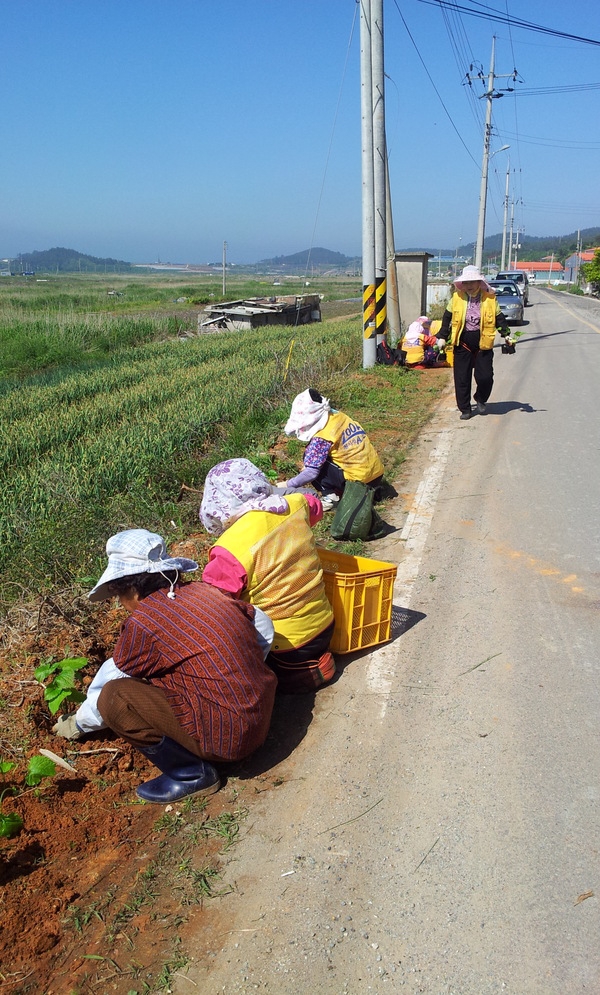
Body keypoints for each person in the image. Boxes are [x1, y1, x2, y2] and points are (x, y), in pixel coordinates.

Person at [53, 529, 277, 803]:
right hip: (263, 714)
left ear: (132, 589)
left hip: (231, 740)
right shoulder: (206, 591)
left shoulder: (143, 623)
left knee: (114, 697)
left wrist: (80, 722)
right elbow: (263, 624)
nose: (121, 605)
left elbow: (114, 677)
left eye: (118, 595)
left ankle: (190, 774)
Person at [200, 458, 336, 693]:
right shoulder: (295, 505)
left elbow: (213, 606)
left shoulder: (228, 548)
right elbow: (315, 506)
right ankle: (312, 665)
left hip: (286, 646)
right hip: (325, 624)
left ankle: (294, 677)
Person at [283, 388, 384, 511]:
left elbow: (311, 472)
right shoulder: (338, 416)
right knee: (322, 456)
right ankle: (368, 491)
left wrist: (288, 485)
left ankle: (331, 498)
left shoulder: (322, 436)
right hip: (376, 473)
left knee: (311, 460)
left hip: (358, 482)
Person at [437, 264, 511, 419]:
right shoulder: (456, 298)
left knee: (485, 377)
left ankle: (481, 398)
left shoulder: (490, 299)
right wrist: (442, 337)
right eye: (466, 282)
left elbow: (499, 318)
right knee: (461, 378)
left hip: (483, 344)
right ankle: (465, 409)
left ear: (479, 283)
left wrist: (506, 335)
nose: (469, 286)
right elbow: (447, 318)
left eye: (472, 282)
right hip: (462, 343)